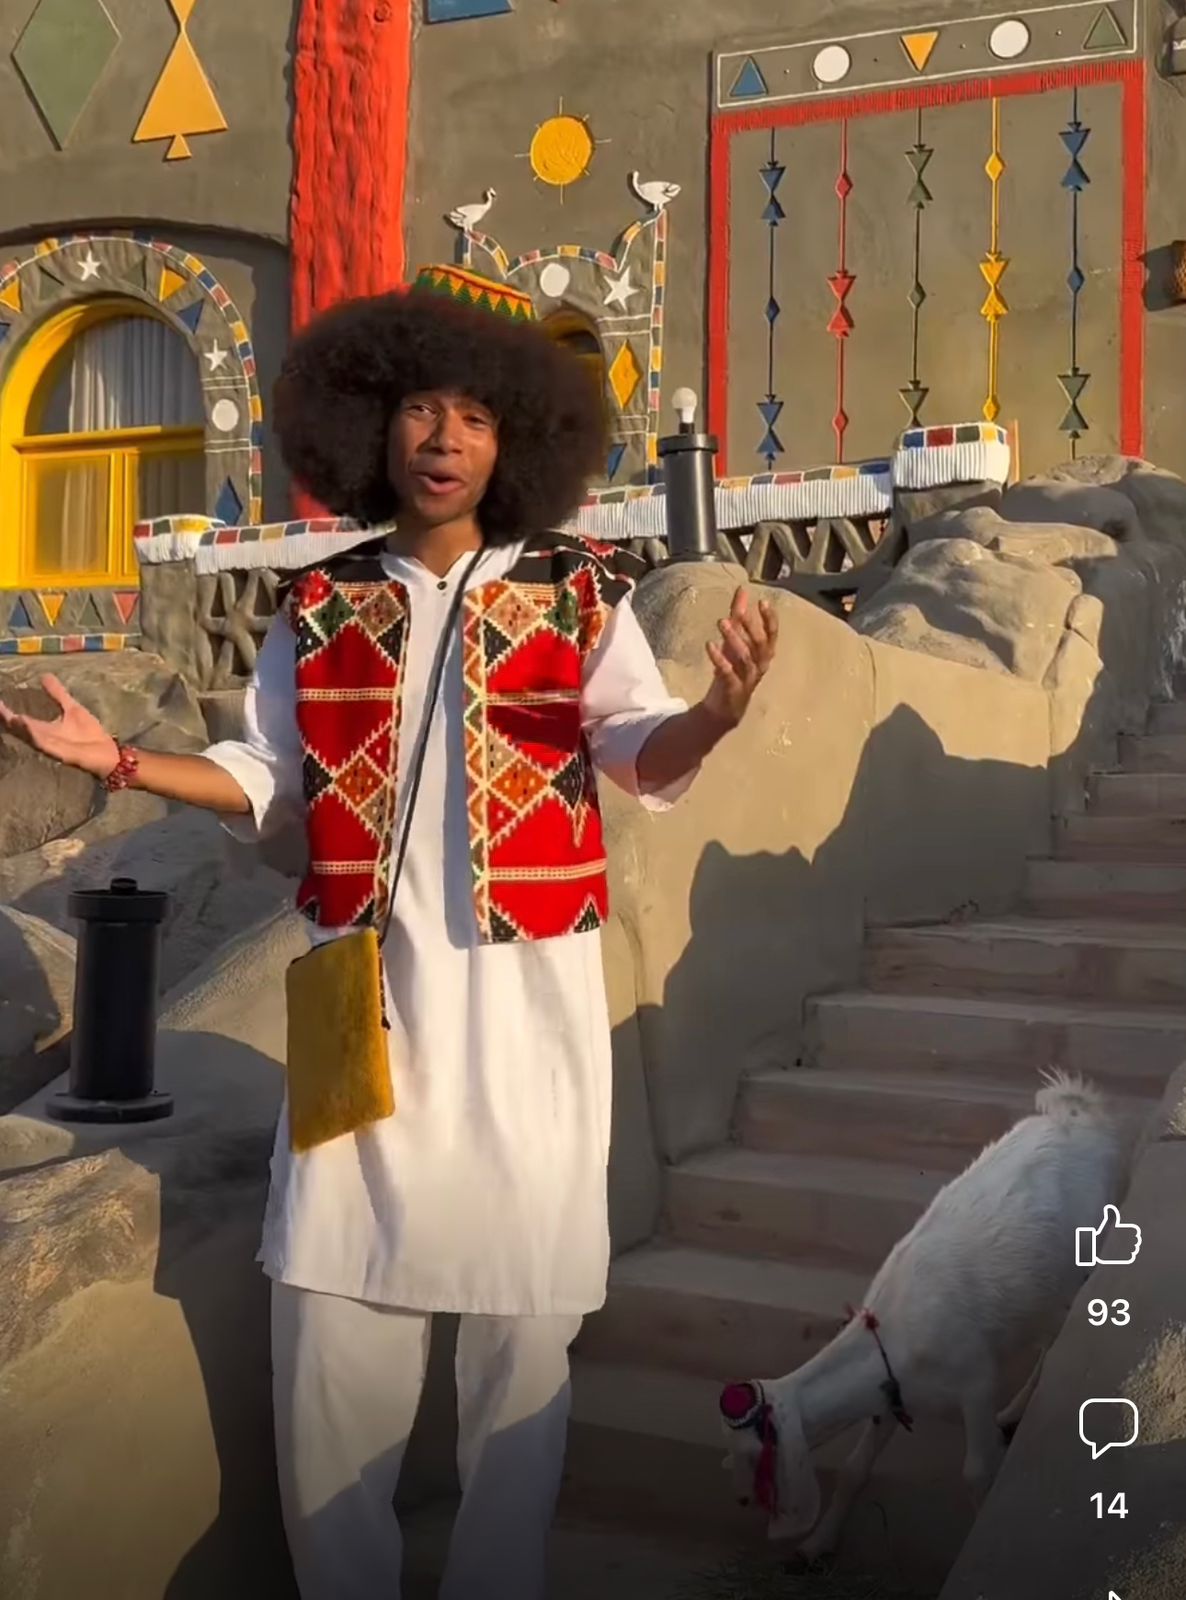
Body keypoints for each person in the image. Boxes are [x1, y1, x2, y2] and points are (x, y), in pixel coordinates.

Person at [0, 265, 778, 1600]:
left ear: (514, 441)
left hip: (530, 1014)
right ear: (370, 425)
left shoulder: (580, 589)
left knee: (521, 1347)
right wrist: (117, 759)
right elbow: (264, 779)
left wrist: (713, 714)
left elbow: (638, 751)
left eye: (475, 416)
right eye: (420, 409)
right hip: (359, 999)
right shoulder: (318, 604)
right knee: (329, 1326)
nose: (443, 437)